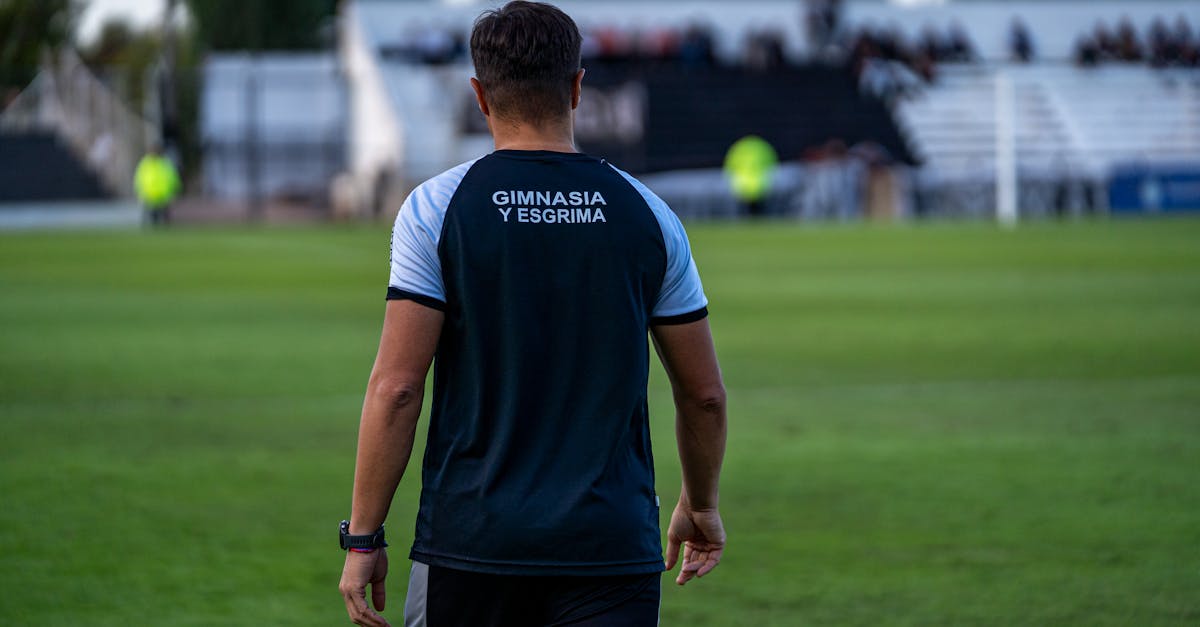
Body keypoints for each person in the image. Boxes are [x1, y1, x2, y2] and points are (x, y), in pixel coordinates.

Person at [337, 3, 728, 626]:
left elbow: (398, 387)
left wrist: (363, 538)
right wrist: (700, 503)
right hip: (611, 547)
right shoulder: (649, 214)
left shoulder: (436, 209)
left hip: (471, 543)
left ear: (479, 95)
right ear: (577, 87)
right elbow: (703, 394)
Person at [133, 144, 180, 227]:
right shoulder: (145, 164)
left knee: (164, 220)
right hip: (149, 197)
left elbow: (173, 178)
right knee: (151, 220)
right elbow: (139, 179)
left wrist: (174, 191)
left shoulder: (165, 163)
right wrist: (139, 193)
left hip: (163, 196)